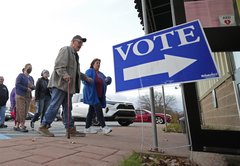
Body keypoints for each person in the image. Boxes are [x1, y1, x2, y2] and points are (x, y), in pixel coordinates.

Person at [38, 35, 92, 137]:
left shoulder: (75, 56)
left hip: (69, 87)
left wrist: (85, 78)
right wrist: (65, 75)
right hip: (60, 84)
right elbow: (58, 65)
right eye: (78, 42)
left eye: (82, 43)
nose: (80, 45)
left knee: (68, 108)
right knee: (55, 105)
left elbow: (76, 72)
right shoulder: (66, 49)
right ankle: (43, 126)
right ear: (72, 42)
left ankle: (70, 128)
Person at [83, 58, 112, 134]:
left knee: (91, 111)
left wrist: (108, 80)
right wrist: (87, 80)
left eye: (99, 63)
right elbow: (84, 79)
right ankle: (104, 127)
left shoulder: (101, 74)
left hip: (99, 95)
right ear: (93, 64)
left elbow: (106, 81)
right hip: (92, 95)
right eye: (97, 63)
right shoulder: (89, 71)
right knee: (98, 109)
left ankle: (87, 128)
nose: (98, 64)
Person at [14, 64, 35, 132]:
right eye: (29, 67)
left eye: (31, 67)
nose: (30, 68)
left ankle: (17, 125)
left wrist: (33, 87)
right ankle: (21, 125)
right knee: (21, 110)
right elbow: (17, 85)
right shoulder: (20, 76)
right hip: (20, 95)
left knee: (25, 111)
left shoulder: (31, 78)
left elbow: (33, 85)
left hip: (28, 96)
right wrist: (26, 88)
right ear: (25, 68)